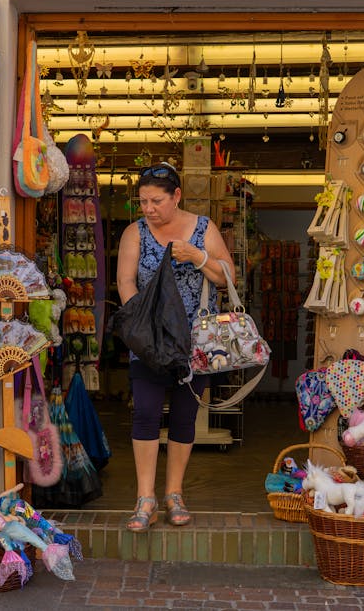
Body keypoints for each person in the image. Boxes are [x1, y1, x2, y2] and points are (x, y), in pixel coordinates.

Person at [116, 161, 234, 531]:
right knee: (146, 413)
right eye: (143, 202)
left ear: (176, 196)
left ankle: (174, 494)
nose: (148, 209)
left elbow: (228, 276)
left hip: (195, 342)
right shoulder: (135, 233)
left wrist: (198, 257)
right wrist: (146, 329)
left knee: (185, 417)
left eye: (156, 201)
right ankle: (145, 498)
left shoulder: (203, 229)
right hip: (149, 342)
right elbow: (125, 283)